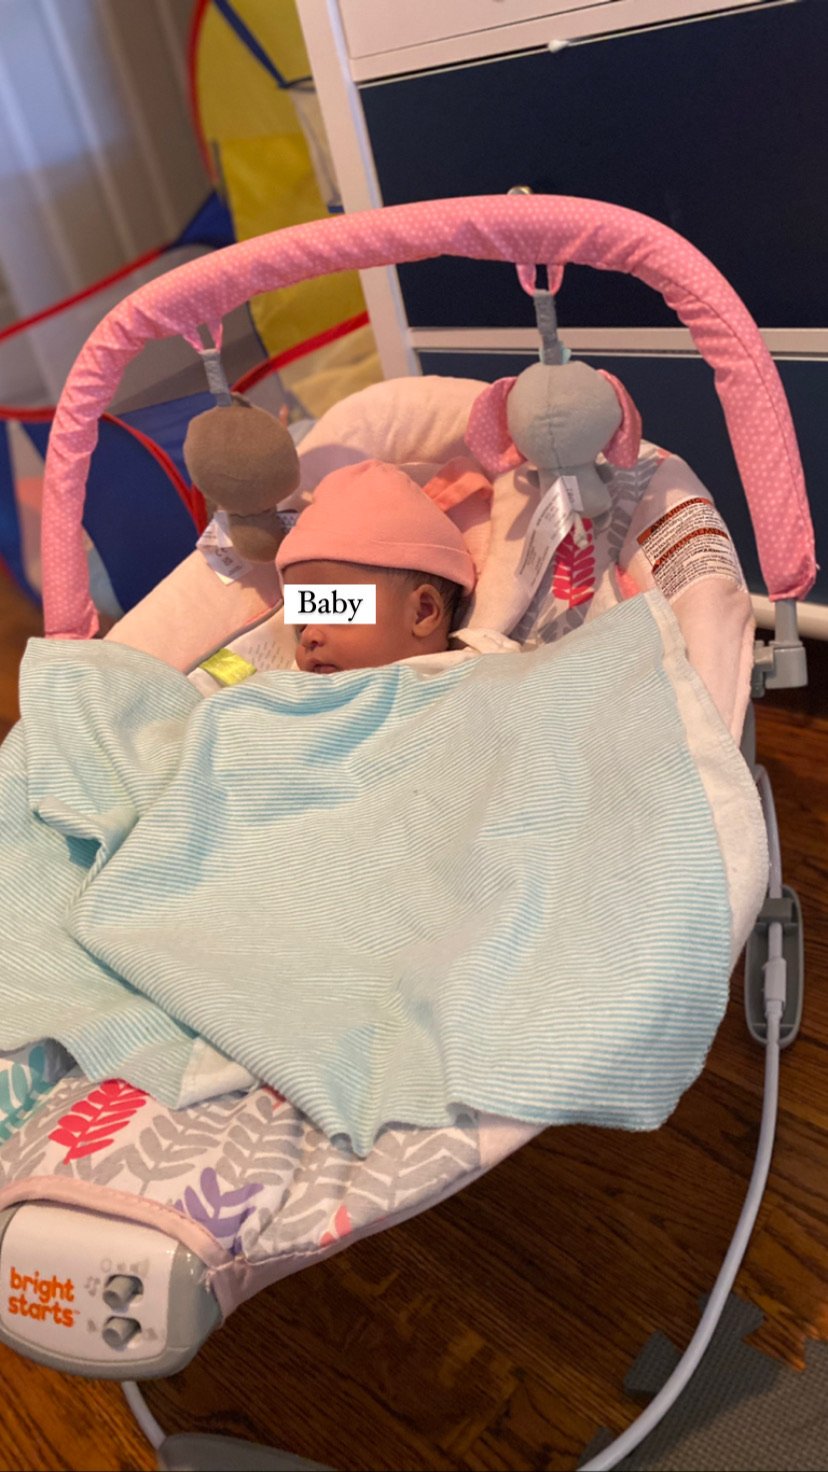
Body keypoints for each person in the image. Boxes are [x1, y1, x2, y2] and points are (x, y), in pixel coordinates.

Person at [275, 458, 519, 674]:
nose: (308, 637)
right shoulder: (293, 686)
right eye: (301, 624)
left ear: (422, 612)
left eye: (333, 609)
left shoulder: (481, 669)